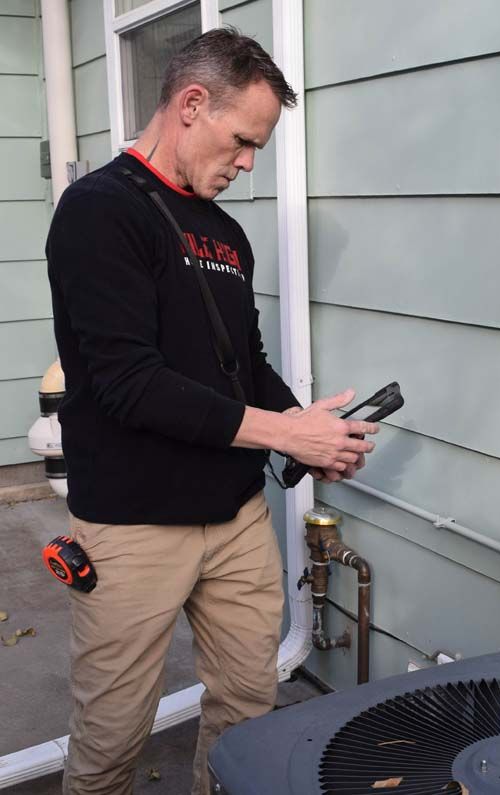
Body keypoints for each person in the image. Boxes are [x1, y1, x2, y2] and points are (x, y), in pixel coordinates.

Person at [46, 28, 378, 795]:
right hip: (132, 528)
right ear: (191, 104)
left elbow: (244, 364)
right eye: (242, 140)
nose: (247, 162)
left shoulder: (224, 234)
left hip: (233, 519)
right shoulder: (100, 212)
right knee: (111, 736)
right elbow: (131, 382)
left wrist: (311, 433)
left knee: (248, 713)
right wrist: (283, 431)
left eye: (258, 147)